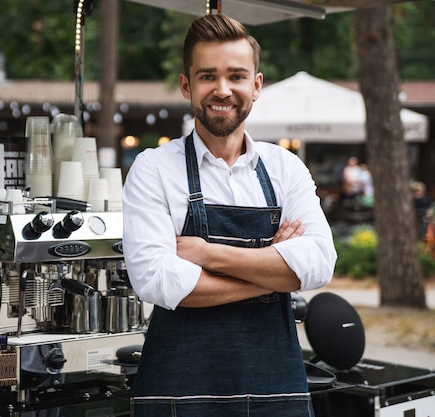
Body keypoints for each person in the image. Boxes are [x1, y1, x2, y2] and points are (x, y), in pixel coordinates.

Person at [122, 14, 337, 417]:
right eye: (208, 76)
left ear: (256, 86)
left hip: (277, 396)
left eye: (236, 76)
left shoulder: (286, 168)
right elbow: (161, 281)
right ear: (187, 86)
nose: (223, 90)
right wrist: (274, 273)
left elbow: (319, 264)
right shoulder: (153, 169)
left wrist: (207, 254)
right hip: (178, 395)